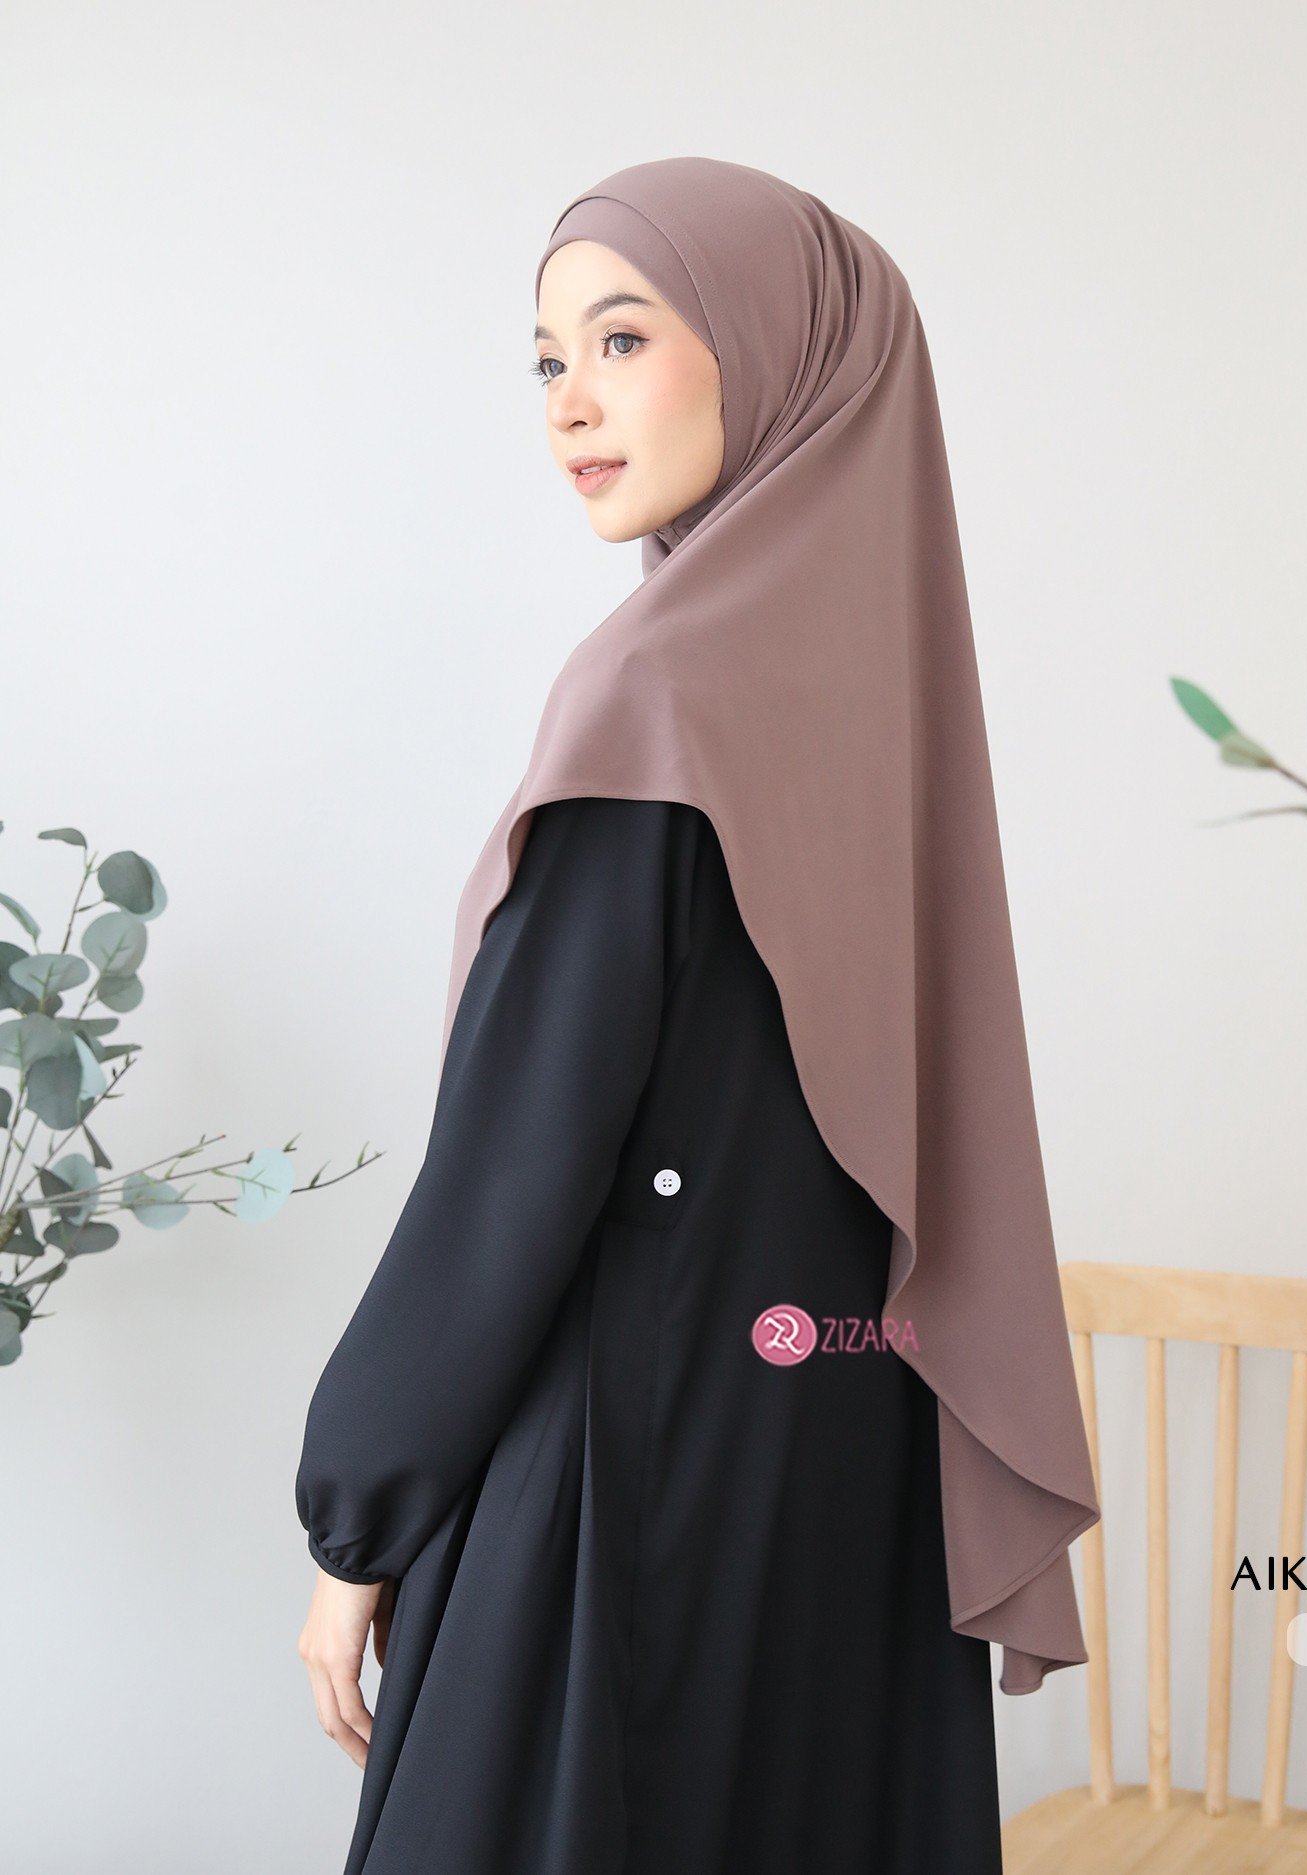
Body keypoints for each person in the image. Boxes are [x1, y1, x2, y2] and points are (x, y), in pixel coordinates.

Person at [295, 157, 1100, 1875]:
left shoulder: (652, 694)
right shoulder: (884, 706)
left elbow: (513, 1175)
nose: (568, 403)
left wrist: (357, 1515)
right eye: (546, 358)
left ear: (773, 349)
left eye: (622, 338)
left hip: (637, 1477)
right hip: (846, 1460)